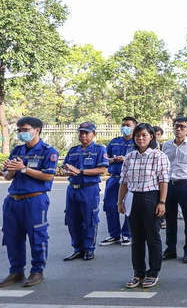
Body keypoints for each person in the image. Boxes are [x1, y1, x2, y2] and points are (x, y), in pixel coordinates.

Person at [0, 117, 59, 288]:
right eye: (19, 130)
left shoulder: (48, 151)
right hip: (13, 200)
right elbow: (7, 176)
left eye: (25, 130)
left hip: (34, 199)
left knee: (37, 236)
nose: (21, 133)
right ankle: (16, 271)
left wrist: (23, 168)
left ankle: (37, 271)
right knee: (12, 237)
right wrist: (10, 170)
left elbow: (48, 176)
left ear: (37, 130)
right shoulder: (17, 150)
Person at [117, 123, 170, 289]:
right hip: (133, 198)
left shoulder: (158, 156)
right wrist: (120, 202)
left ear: (151, 137)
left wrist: (162, 202)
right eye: (137, 135)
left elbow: (163, 181)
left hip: (151, 197)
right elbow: (124, 181)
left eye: (144, 135)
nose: (140, 138)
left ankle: (153, 273)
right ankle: (138, 273)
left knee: (153, 238)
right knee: (137, 239)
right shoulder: (130, 157)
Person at [62, 122, 109, 261]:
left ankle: (89, 249)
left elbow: (102, 169)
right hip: (72, 189)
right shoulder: (73, 150)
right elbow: (64, 168)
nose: (83, 135)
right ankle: (77, 248)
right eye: (81, 133)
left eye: (86, 133)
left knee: (89, 219)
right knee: (72, 219)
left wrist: (80, 171)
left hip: (89, 189)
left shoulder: (99, 149)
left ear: (94, 134)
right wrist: (67, 172)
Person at [161, 116, 187, 264]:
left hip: (186, 184)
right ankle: (170, 249)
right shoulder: (166, 145)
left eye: (182, 127)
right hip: (169, 185)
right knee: (170, 218)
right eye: (176, 126)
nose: (179, 129)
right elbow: (163, 166)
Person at [102, 117, 136, 246]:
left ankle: (127, 234)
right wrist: (113, 159)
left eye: (128, 125)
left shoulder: (137, 142)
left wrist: (125, 159)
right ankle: (114, 234)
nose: (125, 127)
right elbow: (105, 159)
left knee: (129, 207)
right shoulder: (114, 142)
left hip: (130, 180)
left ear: (134, 127)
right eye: (123, 125)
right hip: (114, 178)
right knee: (110, 207)